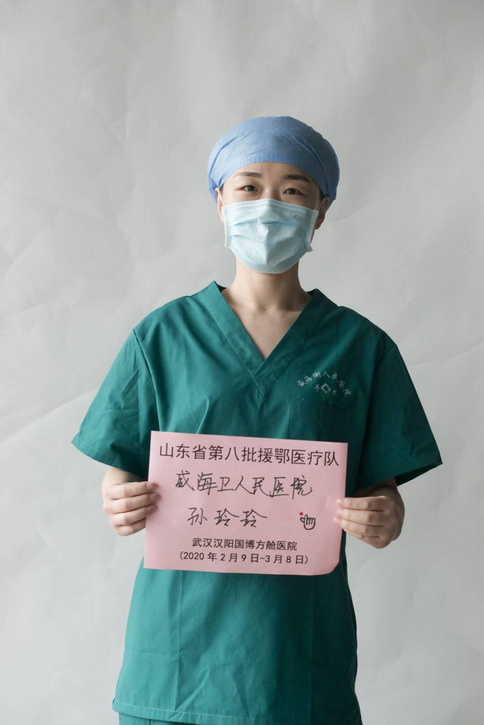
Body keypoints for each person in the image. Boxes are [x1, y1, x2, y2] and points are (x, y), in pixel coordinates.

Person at [71, 115, 443, 725]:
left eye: (293, 190)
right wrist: (119, 499)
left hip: (296, 661)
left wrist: (384, 514)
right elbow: (122, 464)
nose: (269, 206)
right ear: (220, 200)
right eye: (248, 187)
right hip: (176, 661)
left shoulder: (360, 347)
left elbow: (382, 490)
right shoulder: (163, 336)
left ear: (321, 210)